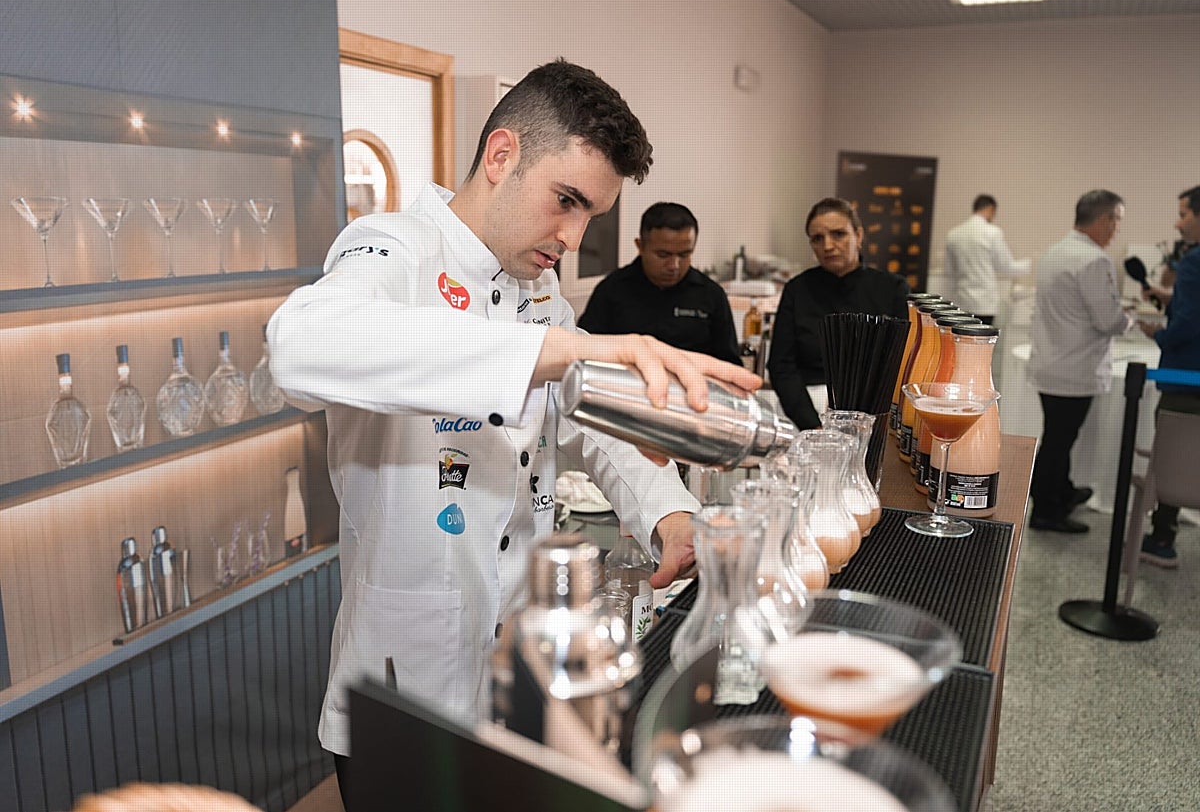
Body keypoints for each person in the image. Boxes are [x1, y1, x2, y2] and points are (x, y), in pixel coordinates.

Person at [266, 59, 761, 807]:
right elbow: (298, 345)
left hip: (520, 666)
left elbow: (588, 418)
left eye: (590, 214)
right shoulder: (392, 248)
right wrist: (556, 350)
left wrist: (663, 506)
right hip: (408, 676)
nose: (572, 235)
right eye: (565, 200)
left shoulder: (535, 288)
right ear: (501, 156)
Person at [1028, 190, 1135, 533]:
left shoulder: (1054, 253)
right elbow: (1108, 321)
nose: (1118, 228)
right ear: (1104, 220)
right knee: (1060, 439)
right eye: (1117, 219)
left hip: (1051, 360)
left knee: (1059, 435)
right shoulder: (1094, 260)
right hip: (1074, 367)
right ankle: (1046, 511)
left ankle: (1061, 491)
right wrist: (1130, 320)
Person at [768, 197, 910, 430]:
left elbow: (900, 362)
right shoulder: (797, 289)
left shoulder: (892, 289)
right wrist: (812, 425)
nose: (828, 246)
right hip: (807, 409)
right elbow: (781, 366)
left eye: (838, 234)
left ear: (859, 236)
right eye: (817, 238)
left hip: (872, 411)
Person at [578, 202, 741, 365]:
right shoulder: (611, 290)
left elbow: (730, 364)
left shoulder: (711, 295)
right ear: (640, 246)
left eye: (684, 254)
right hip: (624, 387)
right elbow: (585, 354)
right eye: (663, 255)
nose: (674, 266)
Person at [1135, 185, 1200, 567]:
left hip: (1187, 376)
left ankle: (1162, 539)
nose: (1178, 223)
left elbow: (1188, 324)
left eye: (1184, 214)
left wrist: (1158, 332)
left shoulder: (1193, 263)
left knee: (1176, 459)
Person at [943, 194, 1032, 324]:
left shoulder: (953, 234)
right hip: (983, 304)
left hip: (961, 302)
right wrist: (1030, 264)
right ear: (991, 209)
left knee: (961, 341)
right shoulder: (992, 232)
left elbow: (950, 270)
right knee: (982, 342)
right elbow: (1004, 265)